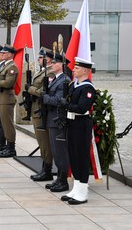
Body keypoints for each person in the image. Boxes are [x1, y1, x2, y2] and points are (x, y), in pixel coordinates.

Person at [61, 57, 96, 205]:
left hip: (82, 124)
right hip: (72, 123)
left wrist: (67, 105)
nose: (73, 70)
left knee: (81, 157)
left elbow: (82, 108)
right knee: (73, 156)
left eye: (77, 68)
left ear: (85, 71)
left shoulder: (88, 88)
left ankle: (83, 192)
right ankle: (76, 188)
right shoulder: (75, 86)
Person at [40, 52, 71, 192]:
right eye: (51, 63)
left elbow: (59, 101)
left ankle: (63, 181)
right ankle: (59, 178)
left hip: (57, 119)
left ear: (61, 65)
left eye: (54, 63)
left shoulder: (64, 80)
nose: (51, 65)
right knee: (55, 150)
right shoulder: (56, 79)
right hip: (51, 119)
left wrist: (44, 97)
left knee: (60, 152)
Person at [24, 49, 54, 182]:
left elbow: (43, 92)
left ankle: (47, 169)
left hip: (42, 111)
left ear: (48, 59)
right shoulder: (41, 71)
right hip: (36, 110)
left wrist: (30, 88)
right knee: (41, 141)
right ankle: (44, 166)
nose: (38, 60)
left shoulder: (50, 72)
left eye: (41, 58)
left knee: (44, 142)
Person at [0, 44, 19, 158]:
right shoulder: (5, 66)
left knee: (8, 124)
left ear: (10, 54)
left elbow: (8, 83)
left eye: (4, 53)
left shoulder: (12, 67)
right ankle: (5, 145)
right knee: (3, 123)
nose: (2, 54)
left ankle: (11, 148)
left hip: (7, 98)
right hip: (2, 97)